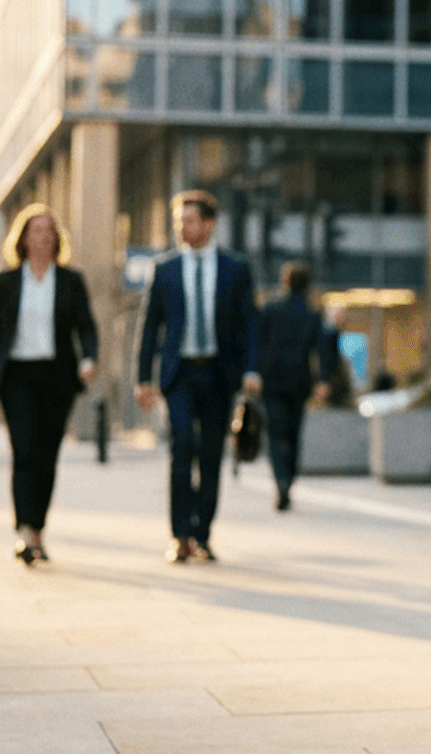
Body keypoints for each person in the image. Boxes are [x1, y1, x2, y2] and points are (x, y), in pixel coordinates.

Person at [135, 190, 260, 564]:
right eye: (179, 221)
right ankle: (180, 536)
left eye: (189, 221)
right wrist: (143, 378)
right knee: (182, 447)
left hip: (219, 373)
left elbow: (249, 324)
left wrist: (251, 369)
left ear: (208, 224)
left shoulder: (236, 269)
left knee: (210, 456)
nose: (181, 228)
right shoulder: (165, 269)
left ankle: (202, 535)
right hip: (179, 374)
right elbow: (149, 326)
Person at [0, 204, 100, 566]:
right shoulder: (7, 282)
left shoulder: (71, 281)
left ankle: (39, 528)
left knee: (47, 456)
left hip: (57, 377)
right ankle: (25, 531)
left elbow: (86, 326)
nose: (43, 236)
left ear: (57, 239)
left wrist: (89, 358)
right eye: (36, 230)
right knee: (23, 452)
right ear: (24, 239)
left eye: (49, 230)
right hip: (16, 377)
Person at [255, 260, 329, 511]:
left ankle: (281, 481)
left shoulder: (271, 308)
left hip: (272, 381)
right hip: (299, 381)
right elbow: (321, 349)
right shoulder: (312, 313)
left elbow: (258, 342)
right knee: (294, 434)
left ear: (285, 281)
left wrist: (253, 373)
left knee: (275, 434)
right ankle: (290, 476)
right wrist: (323, 380)